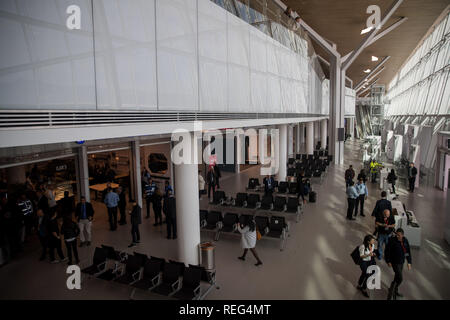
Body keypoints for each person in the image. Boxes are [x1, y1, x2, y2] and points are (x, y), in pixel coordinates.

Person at [385, 228, 412, 300]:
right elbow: (387, 251)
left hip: (401, 262)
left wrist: (409, 262)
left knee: (397, 276)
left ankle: (395, 290)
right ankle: (392, 290)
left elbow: (407, 252)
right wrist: (388, 261)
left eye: (399, 235)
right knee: (400, 278)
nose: (397, 236)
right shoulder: (392, 240)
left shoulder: (405, 241)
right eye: (396, 234)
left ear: (402, 235)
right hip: (394, 262)